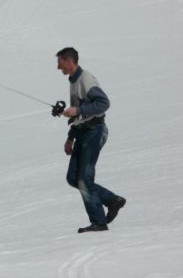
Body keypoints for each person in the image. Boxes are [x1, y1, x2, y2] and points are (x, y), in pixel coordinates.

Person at [56, 47, 126, 233]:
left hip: (94, 131)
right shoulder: (73, 81)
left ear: (69, 62)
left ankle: (99, 222)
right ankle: (112, 200)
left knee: (84, 180)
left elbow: (103, 103)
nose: (58, 67)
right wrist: (70, 137)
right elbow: (79, 111)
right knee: (73, 177)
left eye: (60, 62)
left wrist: (77, 111)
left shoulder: (86, 78)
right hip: (83, 133)